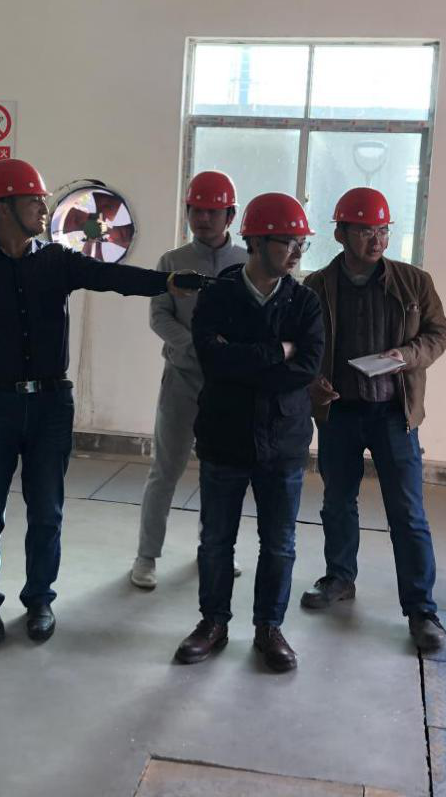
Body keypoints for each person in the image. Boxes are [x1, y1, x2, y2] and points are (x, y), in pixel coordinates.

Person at [0, 159, 198, 644]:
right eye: (34, 200)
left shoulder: (57, 261)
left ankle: (39, 600)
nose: (44, 208)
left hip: (51, 407)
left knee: (47, 511)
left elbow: (111, 277)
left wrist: (165, 283)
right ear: (2, 208)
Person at [173, 192, 324, 673]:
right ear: (256, 241)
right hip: (224, 436)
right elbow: (212, 360)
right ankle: (212, 623)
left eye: (301, 243)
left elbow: (306, 367)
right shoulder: (218, 295)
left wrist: (243, 358)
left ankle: (269, 628)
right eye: (287, 242)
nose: (297, 252)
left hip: (283, 441)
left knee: (279, 543)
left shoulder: (305, 302)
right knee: (216, 540)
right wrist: (276, 352)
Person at [299, 186, 446, 651]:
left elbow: (440, 334)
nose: (377, 239)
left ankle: (422, 610)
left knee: (407, 512)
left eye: (383, 230)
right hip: (340, 412)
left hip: (393, 414)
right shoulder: (317, 286)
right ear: (341, 233)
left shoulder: (414, 282)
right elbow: (304, 346)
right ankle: (339, 577)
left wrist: (407, 355)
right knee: (336, 502)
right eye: (366, 230)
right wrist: (313, 383)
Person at [130, 171, 249, 590]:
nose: (203, 219)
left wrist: (234, 354)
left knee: (222, 473)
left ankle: (215, 550)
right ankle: (146, 556)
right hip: (182, 380)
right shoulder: (172, 262)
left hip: (230, 386)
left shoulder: (247, 264)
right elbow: (159, 316)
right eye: (196, 210)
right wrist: (196, 347)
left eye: (213, 212)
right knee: (165, 470)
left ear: (230, 215)